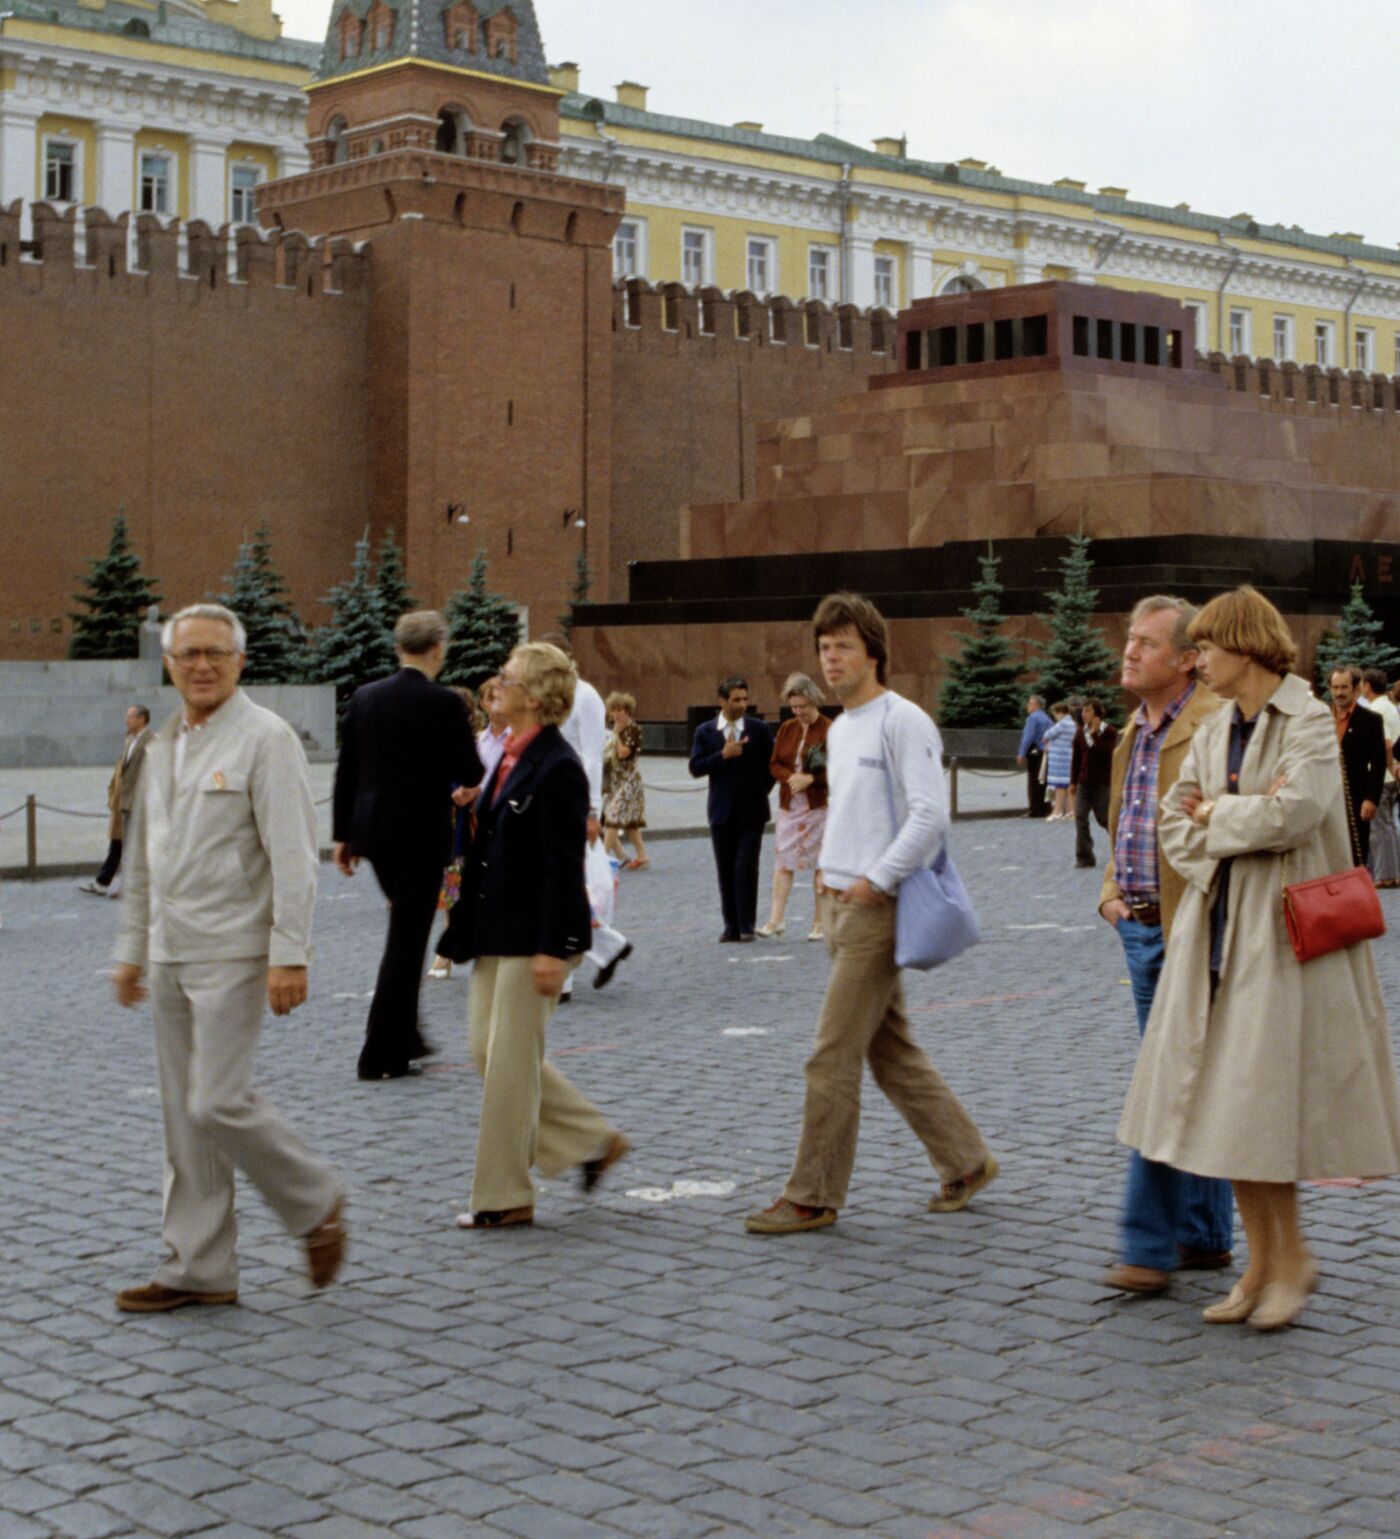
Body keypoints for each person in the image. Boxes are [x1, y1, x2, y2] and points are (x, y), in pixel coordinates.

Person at [1120, 587, 1400, 1330]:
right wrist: (1225, 821)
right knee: (1226, 1111)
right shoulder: (1216, 730)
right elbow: (1174, 827)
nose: (1198, 659)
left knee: (1260, 1106)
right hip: (1216, 937)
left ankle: (1292, 1259)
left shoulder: (1305, 717)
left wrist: (1219, 813)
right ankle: (1262, 1262)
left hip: (1280, 943)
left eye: (1207, 647)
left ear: (1244, 646)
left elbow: (1297, 812)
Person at [110, 603, 345, 1312]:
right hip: (172, 952)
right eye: (189, 654)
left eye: (216, 652)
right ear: (169, 665)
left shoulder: (266, 739)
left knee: (217, 1098)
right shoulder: (158, 746)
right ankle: (200, 1265)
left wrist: (290, 954)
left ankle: (315, 1199)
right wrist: (132, 949)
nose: (202, 665)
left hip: (237, 952)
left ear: (241, 662)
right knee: (186, 1117)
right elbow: (147, 859)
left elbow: (295, 856)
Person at [745, 593, 998, 1234]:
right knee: (891, 1052)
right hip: (837, 905)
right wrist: (833, 882)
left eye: (844, 648)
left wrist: (876, 882)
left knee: (831, 1057)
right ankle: (965, 1160)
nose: (831, 659)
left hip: (871, 911)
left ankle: (812, 1195)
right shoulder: (843, 724)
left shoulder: (901, 721)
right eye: (824, 648)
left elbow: (929, 815)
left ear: (873, 653)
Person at [453, 642, 630, 1228]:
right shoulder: (506, 753)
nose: (496, 684)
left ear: (534, 696)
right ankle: (591, 1139)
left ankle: (503, 1195)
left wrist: (556, 950)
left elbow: (562, 866)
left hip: (538, 935)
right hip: (495, 926)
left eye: (507, 678)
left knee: (507, 1065)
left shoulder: (558, 768)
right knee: (487, 1049)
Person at [1099, 594, 1233, 1296]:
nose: (1130, 650)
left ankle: (1147, 1246)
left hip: (1190, 934)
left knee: (1163, 1078)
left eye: (1147, 642)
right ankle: (1206, 1235)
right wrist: (1110, 895)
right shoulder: (1136, 729)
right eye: (1130, 637)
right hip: (1140, 928)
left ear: (1186, 659)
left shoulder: (1212, 725)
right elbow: (1122, 824)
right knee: (1191, 1077)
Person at [333, 611, 482, 1080]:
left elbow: (347, 771)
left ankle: (407, 1033)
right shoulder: (444, 703)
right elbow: (471, 770)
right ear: (438, 648)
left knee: (404, 931)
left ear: (398, 647)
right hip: (420, 836)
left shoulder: (365, 696)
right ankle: (381, 1053)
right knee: (406, 942)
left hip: (373, 834)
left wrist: (343, 835)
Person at [553, 641, 633, 995]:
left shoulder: (585, 696)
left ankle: (569, 972)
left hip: (570, 802)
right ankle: (605, 947)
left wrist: (591, 810)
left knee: (564, 885)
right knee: (557, 886)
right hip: (548, 797)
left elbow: (592, 756)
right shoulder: (549, 697)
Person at [690, 676, 775, 943]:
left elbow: (772, 765)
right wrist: (722, 756)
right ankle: (731, 927)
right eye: (736, 699)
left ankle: (747, 924)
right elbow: (696, 767)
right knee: (725, 869)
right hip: (721, 811)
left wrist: (760, 789)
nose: (742, 704)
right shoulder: (705, 731)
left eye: (745, 699)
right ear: (722, 701)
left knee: (746, 867)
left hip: (752, 811)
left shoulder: (759, 729)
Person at [757, 672, 830, 941]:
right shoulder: (787, 728)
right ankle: (776, 920)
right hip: (791, 805)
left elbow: (840, 769)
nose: (799, 712)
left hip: (819, 806)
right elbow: (774, 763)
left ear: (814, 701)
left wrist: (811, 778)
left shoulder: (829, 728)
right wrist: (791, 778)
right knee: (783, 860)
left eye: (803, 706)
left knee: (821, 864)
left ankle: (820, 922)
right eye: (794, 707)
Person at [427, 686, 482, 982]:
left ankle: (451, 954)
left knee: (464, 895)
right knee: (452, 895)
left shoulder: (473, 744)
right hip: (444, 831)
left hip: (466, 830)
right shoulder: (436, 743)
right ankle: (448, 953)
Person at [79, 704, 153, 897]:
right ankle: (107, 883)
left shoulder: (151, 741)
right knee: (121, 844)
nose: (126, 720)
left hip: (138, 802)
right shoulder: (129, 739)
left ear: (141, 719)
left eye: (129, 717)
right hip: (124, 802)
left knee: (130, 847)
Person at [1328, 666, 1385, 866]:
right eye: (1335, 687)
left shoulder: (1371, 720)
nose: (1339, 692)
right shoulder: (1319, 718)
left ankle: (1355, 896)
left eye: (1344, 687)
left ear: (1355, 689)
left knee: (1356, 856)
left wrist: (1371, 798)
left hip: (1356, 800)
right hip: (1324, 800)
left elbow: (1379, 762)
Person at [1357, 667, 1400, 887]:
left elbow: (1386, 744)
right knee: (1390, 826)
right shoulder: (1391, 707)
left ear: (1367, 686)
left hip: (1381, 775)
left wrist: (1390, 766)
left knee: (1379, 828)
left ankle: (1384, 875)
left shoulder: (1376, 710)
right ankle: (1393, 872)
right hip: (1391, 776)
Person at [602, 691, 649, 870]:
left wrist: (615, 734)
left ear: (628, 710)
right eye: (613, 710)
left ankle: (602, 857)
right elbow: (606, 753)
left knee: (613, 817)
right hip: (616, 780)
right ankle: (642, 855)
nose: (616, 714)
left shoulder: (634, 729)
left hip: (629, 780)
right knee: (630, 821)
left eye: (620, 709)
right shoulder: (614, 729)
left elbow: (623, 753)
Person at [1071, 697, 1118, 868]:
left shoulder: (1109, 732)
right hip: (1084, 781)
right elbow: (1076, 758)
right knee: (1080, 816)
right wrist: (1073, 781)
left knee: (1104, 818)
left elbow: (1104, 754)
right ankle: (1084, 856)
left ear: (1097, 713)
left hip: (1102, 782)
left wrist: (1094, 734)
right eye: (1083, 710)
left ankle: (1121, 849)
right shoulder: (1079, 733)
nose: (1084, 714)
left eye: (1088, 710)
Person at [1017, 695, 1053, 819]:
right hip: (1046, 752)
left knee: (1034, 781)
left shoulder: (1032, 718)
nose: (1028, 706)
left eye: (1030, 703)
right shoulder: (1047, 718)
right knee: (1043, 781)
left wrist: (1021, 753)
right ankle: (1045, 808)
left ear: (1036, 705)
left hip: (1035, 753)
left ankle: (1035, 809)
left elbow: (1028, 737)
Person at [1041, 702, 1076, 820]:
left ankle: (1057, 811)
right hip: (1068, 758)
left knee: (1059, 786)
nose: (1054, 717)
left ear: (1060, 712)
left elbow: (1047, 735)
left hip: (1059, 760)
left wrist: (1049, 742)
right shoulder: (1072, 724)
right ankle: (1071, 811)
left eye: (1055, 714)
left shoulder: (1062, 724)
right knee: (1068, 786)